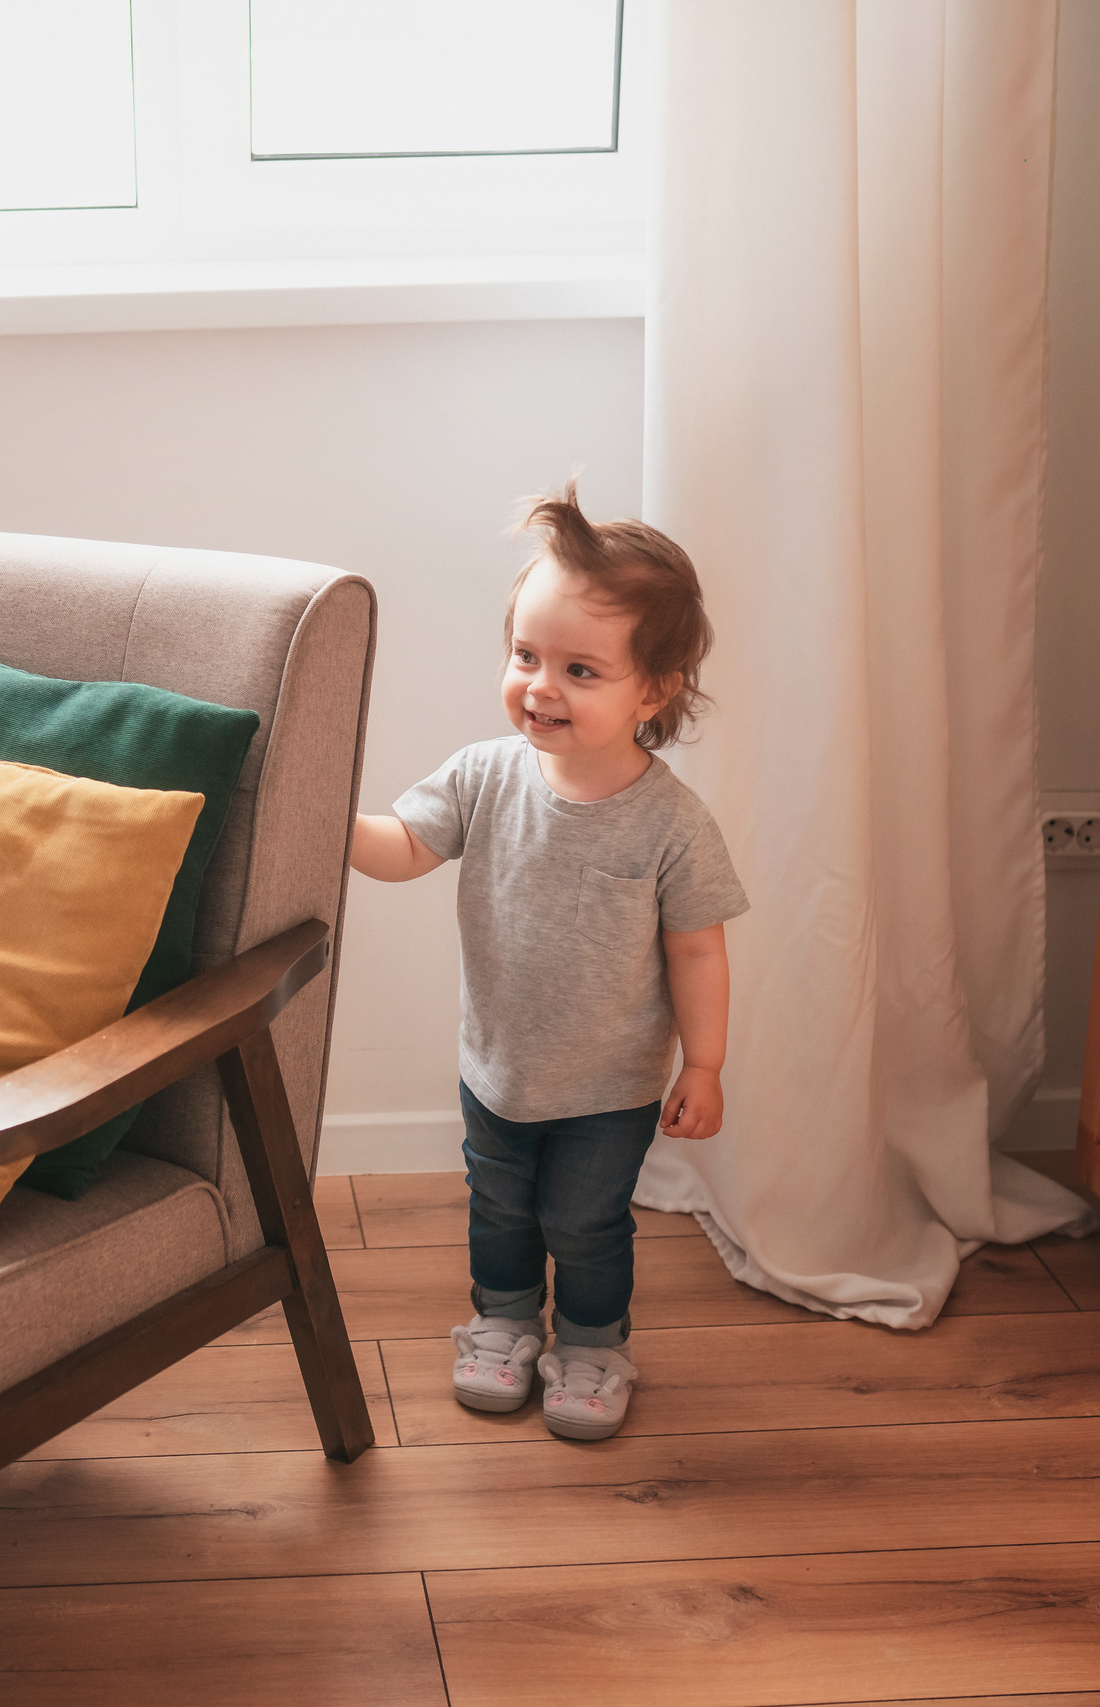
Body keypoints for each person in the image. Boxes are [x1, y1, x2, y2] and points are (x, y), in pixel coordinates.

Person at [349, 488, 745, 1441]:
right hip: (498, 1067)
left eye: (579, 668)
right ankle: (502, 1322)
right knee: (499, 1207)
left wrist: (705, 1063)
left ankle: (594, 1343)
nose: (541, 685)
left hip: (608, 1086)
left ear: (653, 690)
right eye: (525, 656)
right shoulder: (483, 775)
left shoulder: (672, 821)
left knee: (588, 1221)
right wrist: (329, 819)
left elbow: (698, 946)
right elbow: (404, 846)